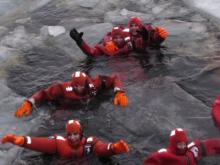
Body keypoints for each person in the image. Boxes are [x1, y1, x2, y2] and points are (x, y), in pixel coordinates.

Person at [15, 71, 128, 118]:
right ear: (72, 84)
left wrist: (119, 92)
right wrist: (29, 103)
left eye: (82, 85)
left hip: (88, 106)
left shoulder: (94, 84)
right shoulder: (61, 88)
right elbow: (43, 94)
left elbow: (115, 77)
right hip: (66, 106)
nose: (80, 88)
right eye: (76, 86)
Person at [1, 119, 129, 159]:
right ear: (66, 135)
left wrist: (113, 148)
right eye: (70, 135)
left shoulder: (90, 142)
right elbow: (39, 143)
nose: (73, 137)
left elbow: (101, 149)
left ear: (81, 133)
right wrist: (21, 140)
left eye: (75, 134)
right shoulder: (59, 143)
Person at [143, 128, 220, 165]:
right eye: (179, 145)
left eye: (184, 144)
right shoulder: (164, 154)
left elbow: (209, 144)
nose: (183, 147)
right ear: (173, 144)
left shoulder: (191, 150)